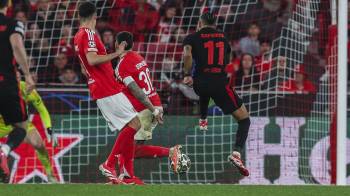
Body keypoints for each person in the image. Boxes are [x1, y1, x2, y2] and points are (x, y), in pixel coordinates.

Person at [74, 2, 162, 185]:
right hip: (106, 87)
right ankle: (109, 163)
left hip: (102, 87)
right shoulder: (89, 33)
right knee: (134, 124)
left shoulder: (77, 36)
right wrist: (117, 53)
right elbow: (91, 59)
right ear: (95, 16)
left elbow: (84, 67)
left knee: (129, 127)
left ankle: (127, 176)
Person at [114, 31, 190, 179]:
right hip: (153, 104)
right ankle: (125, 177)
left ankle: (170, 153)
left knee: (129, 148)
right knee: (131, 148)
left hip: (145, 109)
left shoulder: (123, 65)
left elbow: (136, 91)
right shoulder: (138, 57)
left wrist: (152, 110)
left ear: (118, 44)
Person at [182, 12, 250, 176]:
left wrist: (187, 73)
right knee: (244, 120)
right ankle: (236, 154)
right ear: (214, 24)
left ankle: (203, 119)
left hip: (199, 84)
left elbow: (187, 55)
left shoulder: (191, 38)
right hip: (219, 84)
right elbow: (228, 58)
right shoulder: (223, 38)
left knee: (204, 90)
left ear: (200, 22)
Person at [0, 0, 35, 182]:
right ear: (8, 4)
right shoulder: (13, 24)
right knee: (21, 126)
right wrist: (28, 74)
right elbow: (17, 46)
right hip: (6, 83)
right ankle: (4, 151)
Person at [0, 71, 57, 183]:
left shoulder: (26, 88)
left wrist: (49, 128)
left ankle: (50, 174)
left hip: (22, 124)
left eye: (17, 78)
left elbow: (42, 109)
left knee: (39, 144)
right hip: (2, 126)